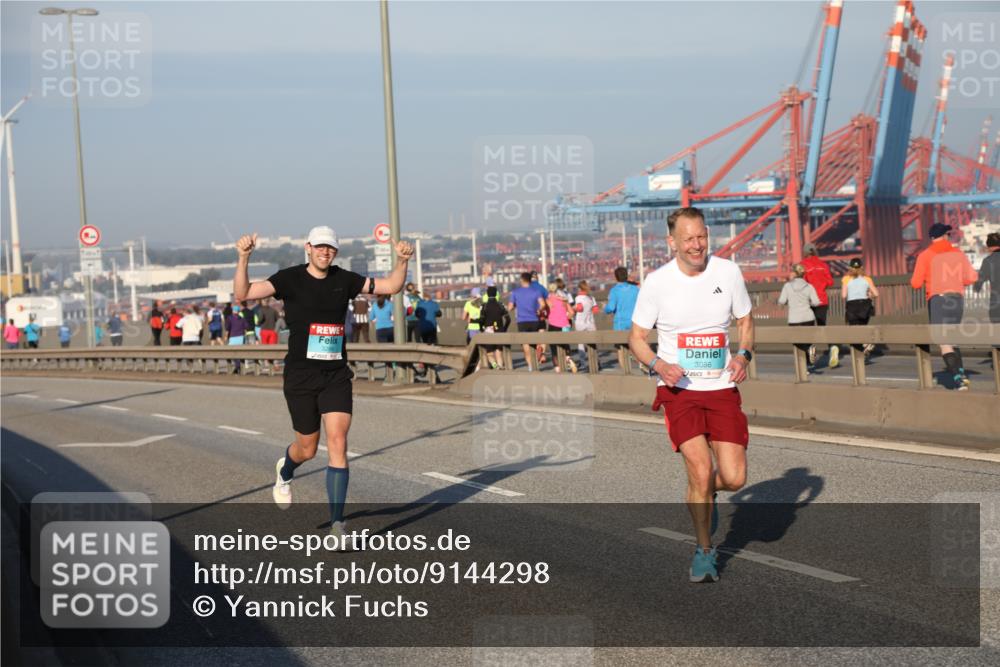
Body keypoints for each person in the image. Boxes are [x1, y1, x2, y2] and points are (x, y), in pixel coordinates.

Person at [233, 226, 413, 539]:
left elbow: (392, 286)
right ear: (308, 247)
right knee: (307, 449)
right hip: (300, 377)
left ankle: (337, 525)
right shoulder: (289, 278)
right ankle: (285, 470)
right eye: (319, 246)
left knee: (338, 442)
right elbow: (244, 293)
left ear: (335, 252)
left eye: (329, 248)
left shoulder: (345, 279)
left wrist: (403, 261)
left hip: (335, 375)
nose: (324, 252)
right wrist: (243, 258)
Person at [629, 206, 753, 584]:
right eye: (688, 239)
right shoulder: (657, 283)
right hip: (678, 390)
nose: (697, 245)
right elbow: (636, 338)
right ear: (672, 242)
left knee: (734, 478)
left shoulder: (728, 272)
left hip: (721, 387)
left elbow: (745, 320)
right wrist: (659, 365)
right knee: (700, 469)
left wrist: (743, 355)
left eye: (702, 236)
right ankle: (704, 551)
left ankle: (701, 492)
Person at [910, 223, 978, 390]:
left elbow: (916, 283)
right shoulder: (958, 253)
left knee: (943, 340)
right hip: (957, 299)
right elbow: (972, 278)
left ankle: (958, 379)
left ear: (932, 238)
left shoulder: (925, 255)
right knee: (953, 338)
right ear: (946, 235)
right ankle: (960, 372)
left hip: (938, 300)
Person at [801, 242, 836, 367]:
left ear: (805, 252)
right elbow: (830, 282)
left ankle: (808, 356)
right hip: (822, 300)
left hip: (808, 301)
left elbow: (801, 283)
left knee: (807, 328)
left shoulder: (803, 265)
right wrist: (821, 286)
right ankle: (832, 347)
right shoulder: (823, 265)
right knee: (822, 326)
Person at [777, 263, 820, 365]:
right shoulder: (809, 286)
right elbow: (816, 302)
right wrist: (807, 303)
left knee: (796, 342)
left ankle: (804, 365)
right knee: (808, 340)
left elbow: (782, 301)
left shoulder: (787, 286)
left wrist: (788, 302)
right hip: (808, 317)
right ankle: (809, 356)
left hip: (794, 319)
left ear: (795, 273)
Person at [842, 258, 879, 359]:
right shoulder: (867, 279)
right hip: (865, 306)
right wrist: (870, 294)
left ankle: (863, 348)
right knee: (862, 328)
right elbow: (876, 294)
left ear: (850, 267)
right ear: (861, 267)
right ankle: (865, 345)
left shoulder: (846, 279)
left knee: (854, 332)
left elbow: (844, 295)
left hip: (852, 307)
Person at [508, 271, 546, 371]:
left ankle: (530, 367)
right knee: (534, 342)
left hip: (522, 321)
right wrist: (539, 310)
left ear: (521, 280)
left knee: (526, 345)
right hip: (534, 320)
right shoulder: (536, 291)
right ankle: (537, 356)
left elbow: (510, 307)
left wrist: (516, 305)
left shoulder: (515, 292)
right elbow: (543, 304)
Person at [606, 266, 640, 370]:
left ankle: (626, 371)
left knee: (621, 349)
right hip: (634, 322)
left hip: (620, 323)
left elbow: (611, 307)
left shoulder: (614, 291)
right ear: (626, 276)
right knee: (636, 346)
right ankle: (640, 364)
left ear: (616, 277)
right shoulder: (635, 289)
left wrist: (605, 309)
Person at [545, 281, 577, 373]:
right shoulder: (563, 300)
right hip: (565, 325)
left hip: (553, 325)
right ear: (556, 290)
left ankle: (557, 368)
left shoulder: (548, 300)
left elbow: (545, 313)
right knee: (565, 344)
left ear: (549, 290)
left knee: (554, 348)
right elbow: (572, 313)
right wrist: (565, 318)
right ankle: (568, 358)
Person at [479, 285, 510, 369]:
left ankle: (495, 366)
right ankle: (500, 367)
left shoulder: (484, 306)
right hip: (500, 330)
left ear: (487, 294)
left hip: (489, 331)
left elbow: (481, 320)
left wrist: (481, 329)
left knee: (489, 353)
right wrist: (504, 329)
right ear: (496, 294)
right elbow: (508, 319)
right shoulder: (501, 305)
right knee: (499, 351)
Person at [974, 232, 1000, 329]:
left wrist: (976, 288)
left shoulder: (988, 261)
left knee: (997, 330)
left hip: (996, 302)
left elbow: (980, 280)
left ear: (989, 247)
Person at [573, 280, 599, 371]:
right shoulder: (591, 297)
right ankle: (596, 362)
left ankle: (583, 363)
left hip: (580, 323)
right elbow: (596, 310)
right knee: (592, 344)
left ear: (579, 288)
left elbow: (580, 308)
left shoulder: (578, 297)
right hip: (590, 323)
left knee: (581, 344)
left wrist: (573, 308)